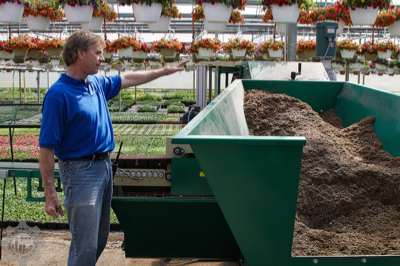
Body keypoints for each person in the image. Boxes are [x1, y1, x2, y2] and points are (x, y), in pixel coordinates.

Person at [39, 30, 186, 266]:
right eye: (97, 53)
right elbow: (46, 148)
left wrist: (164, 71)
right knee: (84, 244)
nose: (101, 58)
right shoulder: (59, 95)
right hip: (80, 172)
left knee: (99, 238)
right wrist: (49, 193)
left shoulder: (95, 84)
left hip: (103, 167)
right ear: (79, 54)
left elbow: (129, 78)